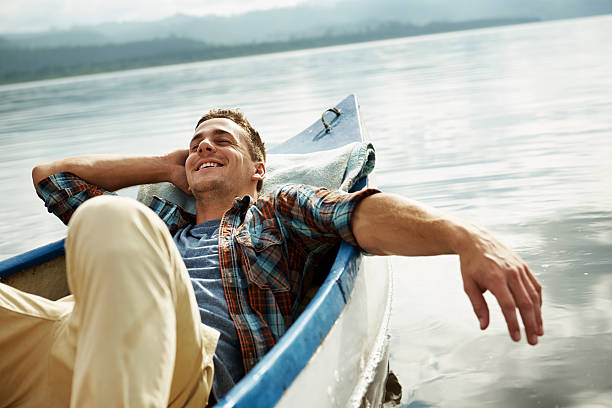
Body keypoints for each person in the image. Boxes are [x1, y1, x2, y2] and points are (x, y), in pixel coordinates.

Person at [0, 109, 543, 407]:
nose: (204, 148)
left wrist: (465, 236)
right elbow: (52, 178)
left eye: (222, 141)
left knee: (111, 219)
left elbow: (363, 217)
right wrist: (167, 168)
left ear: (259, 169)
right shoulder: (164, 224)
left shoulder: (276, 212)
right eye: (196, 143)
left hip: (182, 368)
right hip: (77, 341)